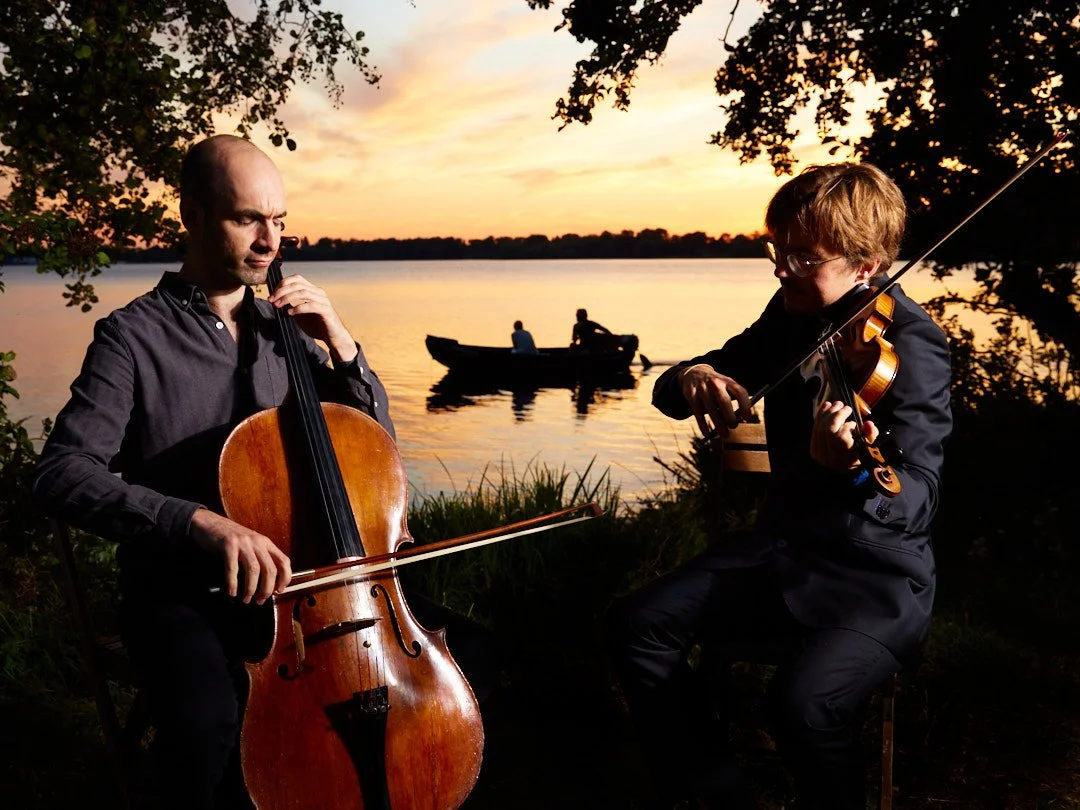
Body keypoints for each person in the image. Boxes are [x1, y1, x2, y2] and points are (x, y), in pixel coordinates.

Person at [32, 134, 497, 809]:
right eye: (247, 218)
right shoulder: (130, 339)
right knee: (207, 727)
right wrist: (195, 522)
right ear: (191, 216)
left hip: (311, 590)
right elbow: (62, 474)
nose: (268, 240)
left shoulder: (291, 331)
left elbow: (374, 450)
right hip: (188, 590)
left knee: (476, 661)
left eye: (279, 221)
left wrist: (341, 345)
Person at [607, 162, 952, 809]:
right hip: (782, 554)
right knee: (637, 623)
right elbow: (678, 388)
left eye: (803, 256)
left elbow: (919, 495)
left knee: (801, 707)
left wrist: (851, 466)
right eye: (777, 250)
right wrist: (690, 377)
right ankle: (712, 791)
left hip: (870, 580)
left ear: (867, 264)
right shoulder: (794, 313)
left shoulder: (913, 344)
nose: (780, 269)